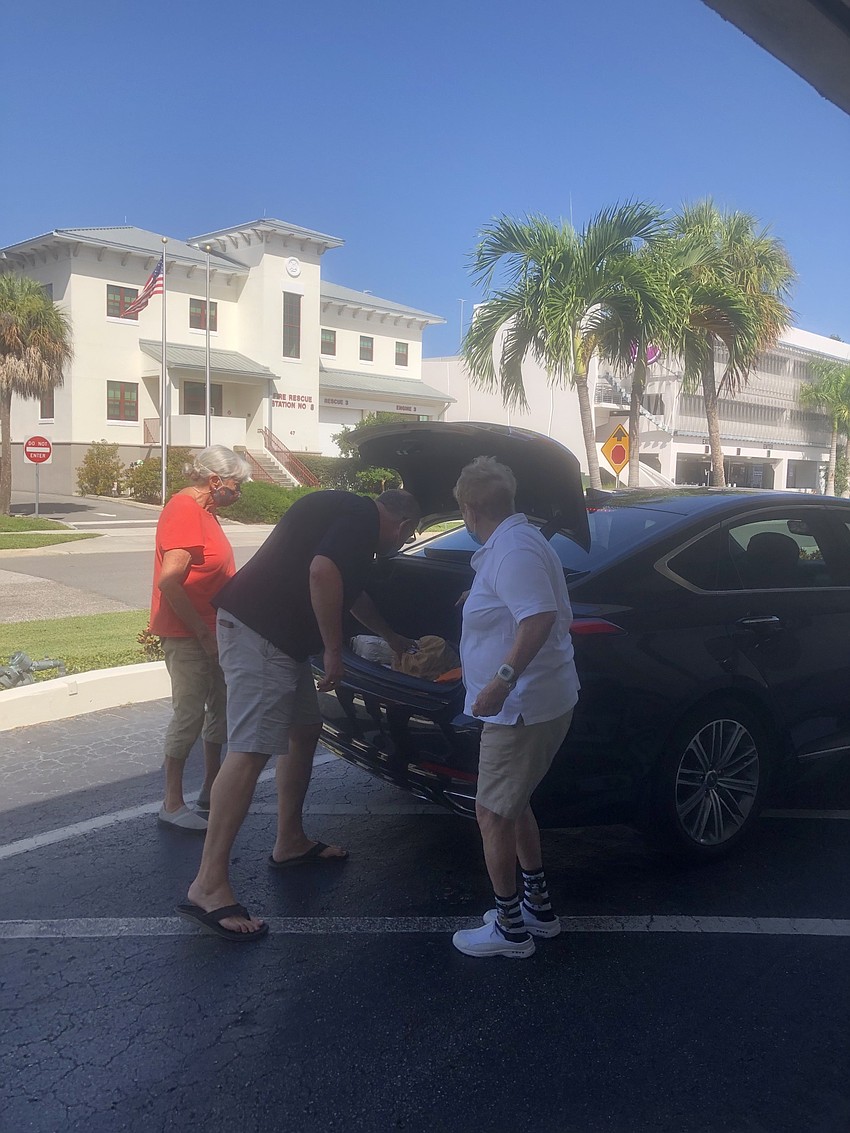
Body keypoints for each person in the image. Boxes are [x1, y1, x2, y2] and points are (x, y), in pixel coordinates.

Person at [177, 487, 421, 941]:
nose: (399, 544)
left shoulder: (346, 510)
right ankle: (207, 884)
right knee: (250, 751)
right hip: (260, 635)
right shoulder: (361, 517)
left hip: (277, 640)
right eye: (406, 537)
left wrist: (391, 637)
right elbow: (323, 571)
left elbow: (350, 593)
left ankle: (289, 841)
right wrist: (333, 650)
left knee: (304, 729)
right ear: (403, 526)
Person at [449, 457, 579, 959]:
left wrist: (501, 682)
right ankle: (537, 910)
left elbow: (538, 617)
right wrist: (481, 595)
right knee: (514, 803)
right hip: (535, 703)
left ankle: (509, 930)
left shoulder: (512, 550)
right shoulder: (516, 543)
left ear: (468, 508)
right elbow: (522, 600)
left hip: (520, 709)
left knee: (491, 814)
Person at [150, 445, 251, 831]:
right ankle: (172, 802)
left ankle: (211, 789)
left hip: (215, 631)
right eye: (236, 485)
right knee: (189, 714)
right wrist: (203, 635)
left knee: (221, 709)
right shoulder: (184, 510)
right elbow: (170, 582)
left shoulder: (207, 512)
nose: (238, 493)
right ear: (215, 480)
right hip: (188, 634)